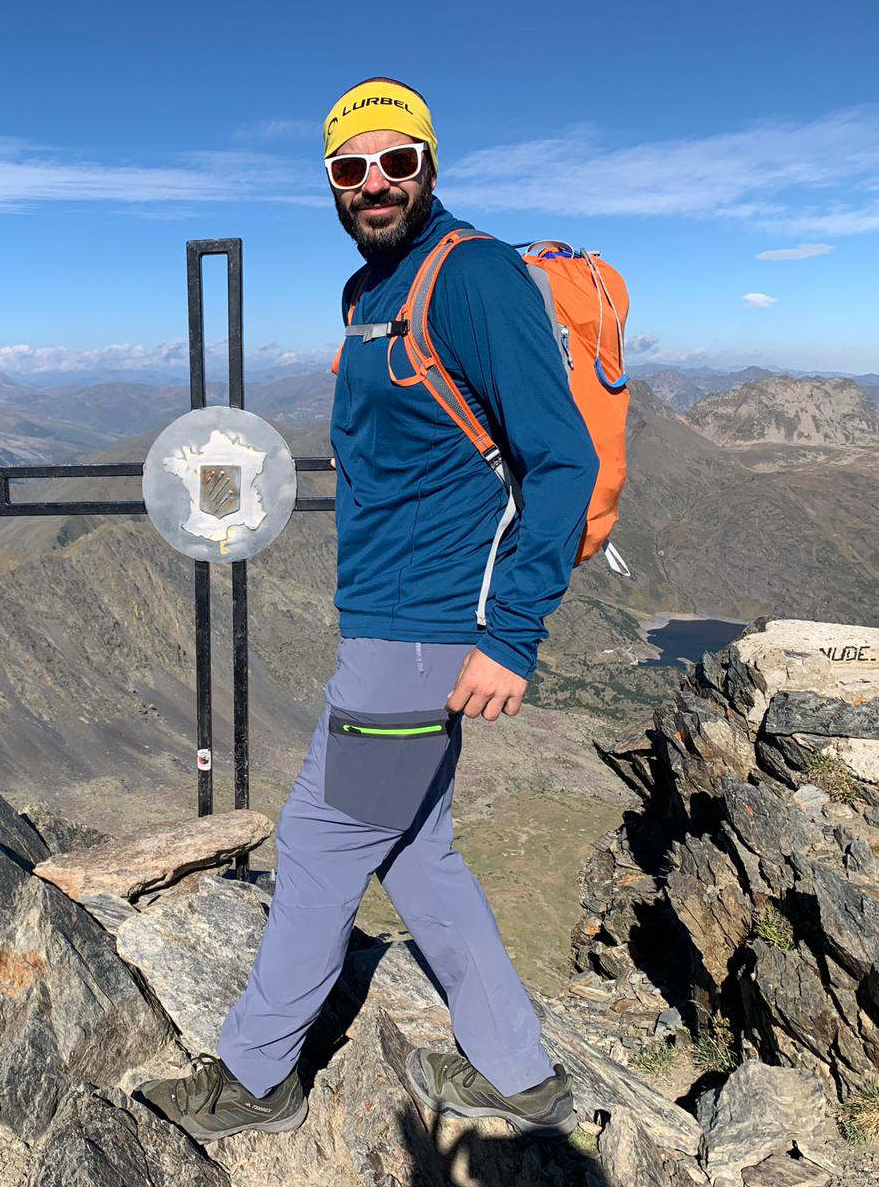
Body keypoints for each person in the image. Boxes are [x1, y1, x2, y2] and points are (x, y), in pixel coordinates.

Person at [138, 77, 598, 1143]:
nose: (374, 183)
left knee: (319, 841)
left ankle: (257, 1077)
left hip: (425, 631)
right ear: (331, 183)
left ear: (430, 165)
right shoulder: (373, 290)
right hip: (392, 622)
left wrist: (509, 636)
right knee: (416, 848)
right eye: (351, 168)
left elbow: (560, 460)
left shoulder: (471, 276)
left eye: (397, 161)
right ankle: (519, 1073)